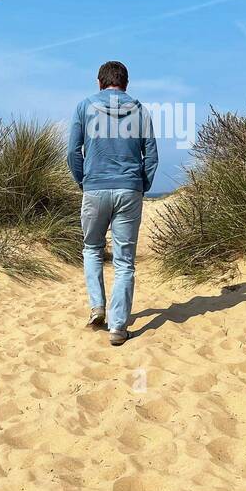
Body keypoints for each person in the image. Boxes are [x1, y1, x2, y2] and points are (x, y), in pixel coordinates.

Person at [66, 61, 158, 345]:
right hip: (129, 189)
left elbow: (73, 152)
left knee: (92, 248)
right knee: (124, 261)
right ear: (126, 84)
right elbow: (151, 157)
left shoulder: (84, 107)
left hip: (95, 188)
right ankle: (118, 327)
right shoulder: (140, 110)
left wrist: (85, 182)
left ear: (99, 82)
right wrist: (140, 187)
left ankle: (97, 307)